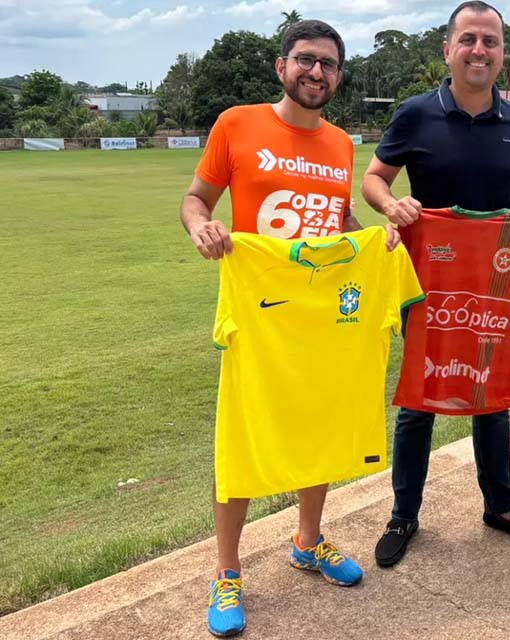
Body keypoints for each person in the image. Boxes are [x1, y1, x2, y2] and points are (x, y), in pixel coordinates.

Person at [179, 20, 398, 637]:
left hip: (324, 319)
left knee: (319, 432)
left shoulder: (340, 144)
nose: (316, 72)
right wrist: (202, 227)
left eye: (328, 64)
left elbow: (339, 216)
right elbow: (195, 198)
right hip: (261, 315)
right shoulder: (237, 124)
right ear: (282, 67)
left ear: (338, 76)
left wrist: (368, 239)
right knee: (243, 442)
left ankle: (308, 541)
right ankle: (226, 571)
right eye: (305, 60)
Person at [361, 0, 510, 568]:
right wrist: (391, 204)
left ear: (502, 54)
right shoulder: (415, 113)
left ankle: (500, 506)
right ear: (448, 49)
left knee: (490, 397)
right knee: (418, 401)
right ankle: (404, 514)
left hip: (493, 285)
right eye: (469, 39)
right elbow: (374, 179)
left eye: (491, 41)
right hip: (429, 281)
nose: (480, 50)